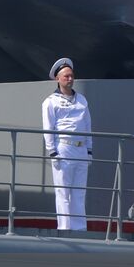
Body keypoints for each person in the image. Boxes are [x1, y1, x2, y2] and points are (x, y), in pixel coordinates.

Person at [41, 57, 92, 231]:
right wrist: (52, 152)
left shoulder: (82, 100)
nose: (70, 79)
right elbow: (48, 128)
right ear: (58, 79)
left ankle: (79, 228)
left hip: (81, 149)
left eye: (71, 76)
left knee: (79, 192)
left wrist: (89, 150)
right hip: (63, 148)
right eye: (66, 76)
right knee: (63, 192)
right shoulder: (50, 102)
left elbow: (87, 125)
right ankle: (64, 228)